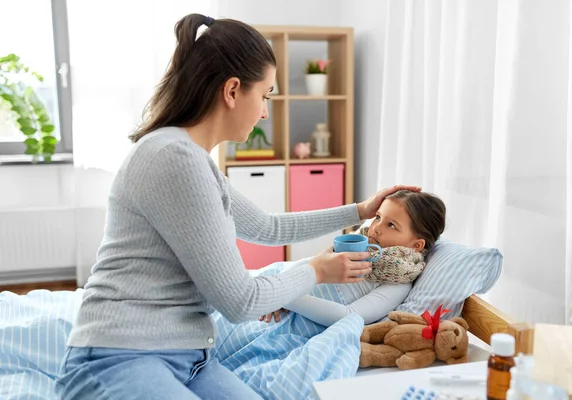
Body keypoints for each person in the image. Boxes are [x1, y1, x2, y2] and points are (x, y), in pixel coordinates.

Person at [54, 13, 419, 400]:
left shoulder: (192, 159)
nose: (264, 111)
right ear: (232, 91)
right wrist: (316, 270)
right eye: (264, 96)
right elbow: (240, 301)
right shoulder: (174, 159)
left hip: (190, 358)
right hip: (121, 354)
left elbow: (269, 228)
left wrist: (359, 210)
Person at [260, 190, 446, 327]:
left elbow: (349, 317)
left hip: (295, 320)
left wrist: (286, 298)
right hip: (278, 304)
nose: (376, 228)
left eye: (391, 225)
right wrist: (280, 290)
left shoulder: (397, 283)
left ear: (416, 245)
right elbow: (306, 265)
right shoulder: (358, 248)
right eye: (378, 217)